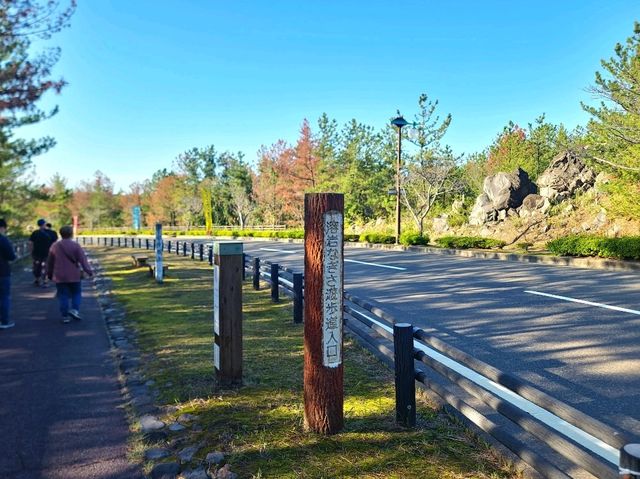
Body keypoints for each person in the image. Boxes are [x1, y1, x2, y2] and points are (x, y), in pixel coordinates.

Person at [47, 225, 93, 324]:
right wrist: (88, 271)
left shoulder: (55, 246)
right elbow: (83, 260)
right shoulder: (76, 245)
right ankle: (74, 310)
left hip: (59, 274)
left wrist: (49, 274)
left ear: (61, 234)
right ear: (71, 234)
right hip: (74, 274)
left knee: (63, 295)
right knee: (76, 293)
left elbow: (50, 261)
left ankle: (64, 316)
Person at [0, 219, 17, 329]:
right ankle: (4, 321)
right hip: (2, 271)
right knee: (4, 297)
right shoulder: (3, 239)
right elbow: (11, 256)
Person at [29, 219, 52, 286]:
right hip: (47, 252)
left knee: (37, 266)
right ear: (44, 224)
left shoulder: (35, 233)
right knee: (45, 266)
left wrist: (31, 252)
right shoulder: (50, 232)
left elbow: (30, 243)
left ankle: (37, 279)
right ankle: (45, 280)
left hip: (36, 253)